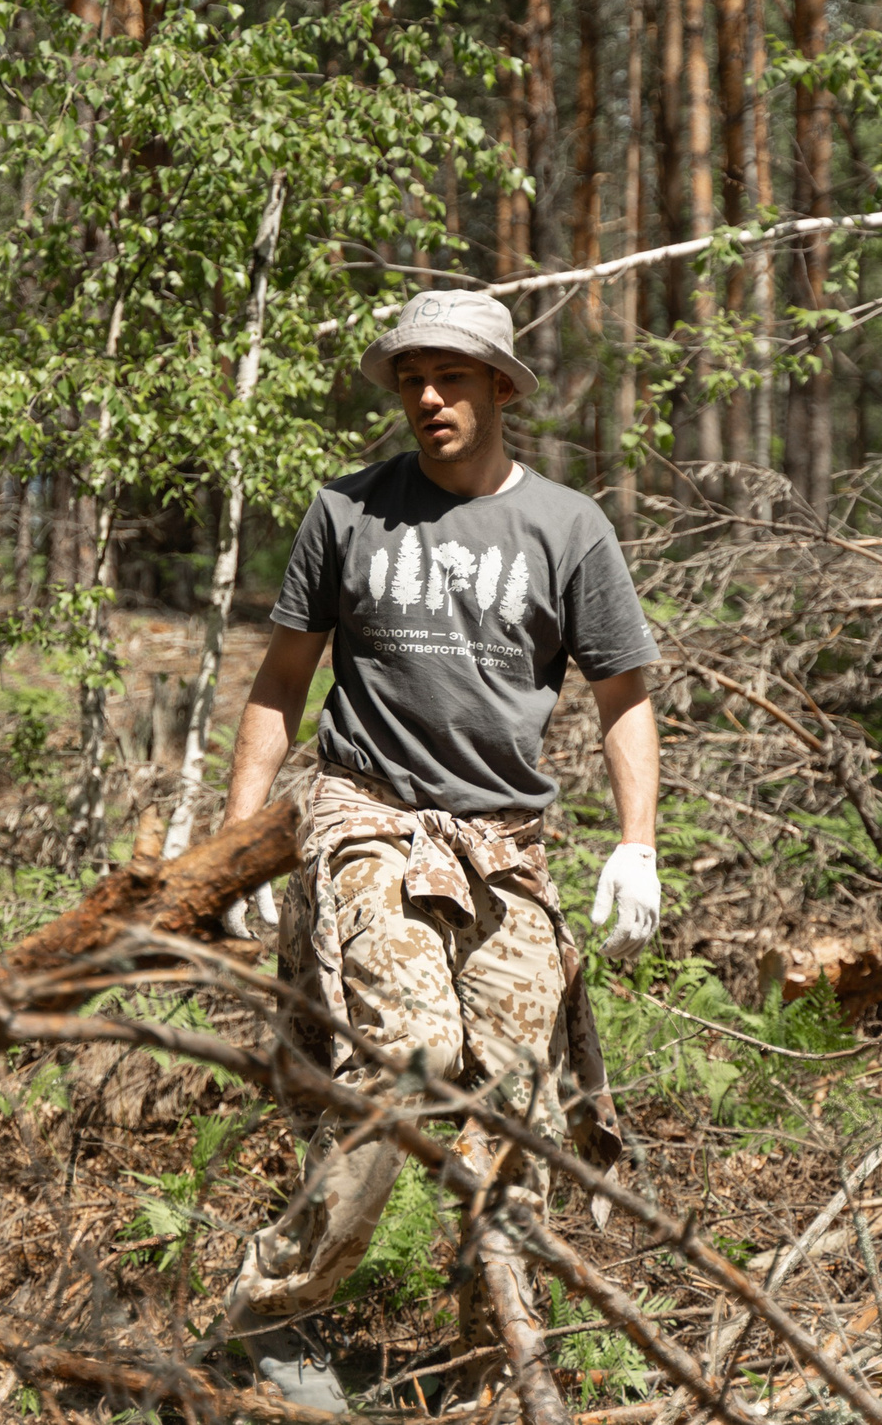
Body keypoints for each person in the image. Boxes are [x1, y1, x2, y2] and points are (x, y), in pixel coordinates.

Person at [213, 289, 664, 1413]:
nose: (426, 397)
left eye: (451, 377)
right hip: (368, 817)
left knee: (516, 1102)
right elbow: (279, 683)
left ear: (502, 388)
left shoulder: (568, 528)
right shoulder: (348, 511)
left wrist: (636, 845)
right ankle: (265, 1320)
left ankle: (491, 1362)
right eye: (411, 377)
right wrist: (237, 848)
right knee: (410, 1062)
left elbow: (624, 699)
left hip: (504, 842)